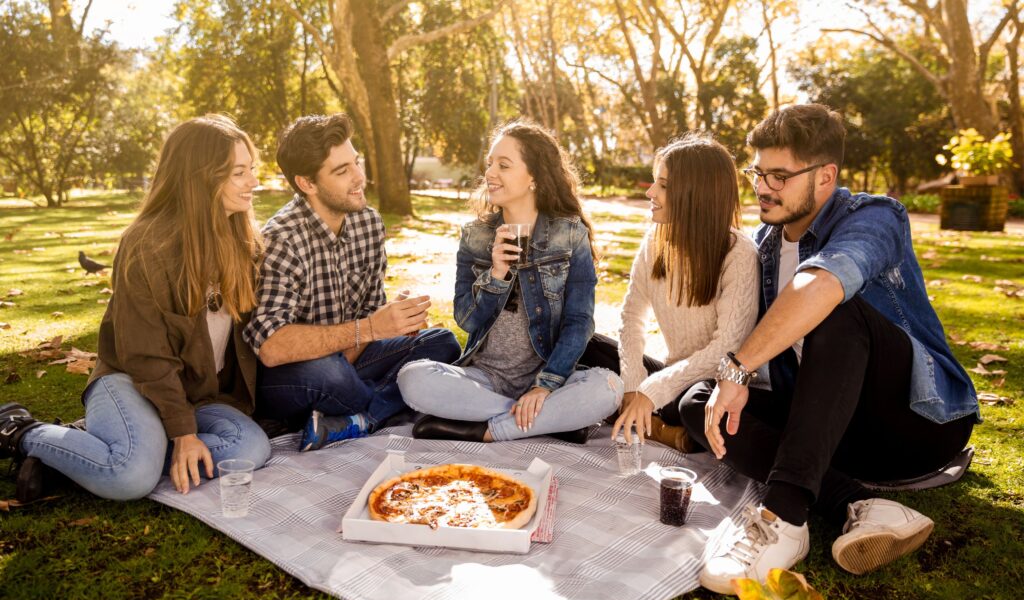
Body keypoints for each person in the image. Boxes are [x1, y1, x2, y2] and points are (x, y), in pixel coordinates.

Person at [676, 104, 980, 593]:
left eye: (780, 175)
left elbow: (820, 286)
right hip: (835, 432)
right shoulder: (765, 244)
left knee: (836, 307)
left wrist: (738, 369)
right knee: (700, 402)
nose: (763, 187)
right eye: (758, 172)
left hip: (917, 426)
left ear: (825, 176)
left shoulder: (876, 216)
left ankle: (786, 517)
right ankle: (853, 503)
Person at [0, 115, 272, 502]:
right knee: (130, 476)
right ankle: (22, 431)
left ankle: (91, 452)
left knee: (249, 450)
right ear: (201, 178)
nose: (254, 183)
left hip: (198, 395)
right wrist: (184, 434)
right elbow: (145, 356)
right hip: (131, 382)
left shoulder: (244, 242)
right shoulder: (147, 245)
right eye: (239, 173)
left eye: (252, 170)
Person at [243, 114, 460, 451]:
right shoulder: (281, 239)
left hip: (351, 357)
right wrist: (370, 329)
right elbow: (270, 347)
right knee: (330, 375)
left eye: (355, 162)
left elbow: (370, 316)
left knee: (442, 343)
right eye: (342, 171)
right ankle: (376, 408)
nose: (359, 177)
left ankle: (355, 419)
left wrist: (394, 319)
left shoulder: (368, 223)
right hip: (294, 377)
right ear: (307, 183)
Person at [397, 120, 622, 443]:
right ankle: (546, 420)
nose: (490, 173)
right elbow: (466, 318)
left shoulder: (570, 234)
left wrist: (546, 385)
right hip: (484, 378)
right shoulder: (475, 236)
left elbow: (579, 321)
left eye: (503, 165)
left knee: (608, 387)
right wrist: (496, 274)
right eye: (489, 164)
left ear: (534, 177)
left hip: (548, 376)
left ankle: (490, 430)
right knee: (412, 378)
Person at [578, 133, 759, 452]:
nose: (650, 192)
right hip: (669, 378)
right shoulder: (655, 240)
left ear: (695, 194)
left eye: (663, 185)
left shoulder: (738, 254)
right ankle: (659, 428)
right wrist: (634, 385)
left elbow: (726, 350)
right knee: (584, 344)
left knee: (693, 405)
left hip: (714, 385)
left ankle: (653, 421)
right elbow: (631, 316)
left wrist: (652, 390)